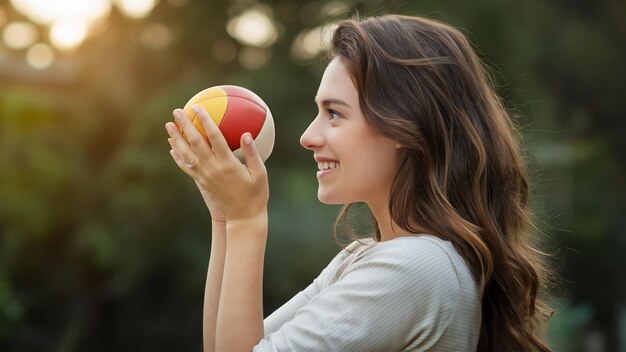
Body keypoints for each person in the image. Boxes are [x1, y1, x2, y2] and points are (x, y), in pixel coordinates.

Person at [165, 14, 554, 352]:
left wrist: (247, 221)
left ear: (406, 124)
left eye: (334, 114)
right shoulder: (367, 258)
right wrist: (224, 218)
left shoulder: (416, 268)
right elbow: (228, 345)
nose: (307, 136)